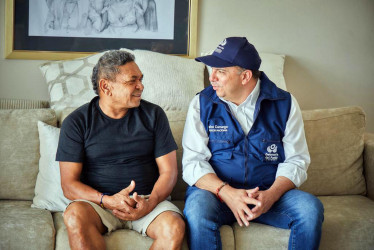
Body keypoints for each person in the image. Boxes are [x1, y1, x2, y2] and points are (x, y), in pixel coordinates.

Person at [182, 37, 324, 250]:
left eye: (221, 71)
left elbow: (297, 161)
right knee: (196, 208)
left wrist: (271, 196)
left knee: (310, 209)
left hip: (267, 195)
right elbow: (193, 162)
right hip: (217, 195)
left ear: (245, 76)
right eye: (212, 70)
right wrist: (227, 192)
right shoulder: (201, 104)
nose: (212, 78)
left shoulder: (285, 104)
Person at [57, 50, 185, 250]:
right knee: (73, 215)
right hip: (99, 204)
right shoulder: (77, 122)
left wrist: (150, 203)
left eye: (141, 79)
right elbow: (68, 185)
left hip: (148, 201)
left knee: (174, 227)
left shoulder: (154, 115)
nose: (141, 86)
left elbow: (169, 172)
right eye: (132, 81)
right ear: (106, 86)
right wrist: (107, 200)